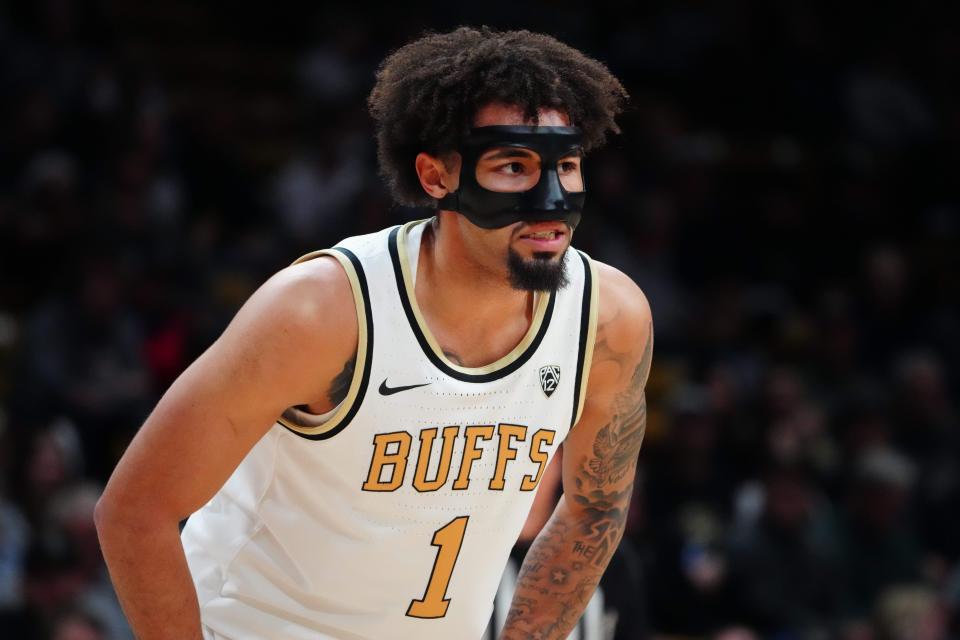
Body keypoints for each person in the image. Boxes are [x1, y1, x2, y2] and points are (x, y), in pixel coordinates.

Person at [94, 26, 653, 640]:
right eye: (513, 166)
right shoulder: (320, 312)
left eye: (567, 166)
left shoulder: (608, 317)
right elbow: (134, 512)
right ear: (436, 177)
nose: (551, 200)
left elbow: (594, 508)